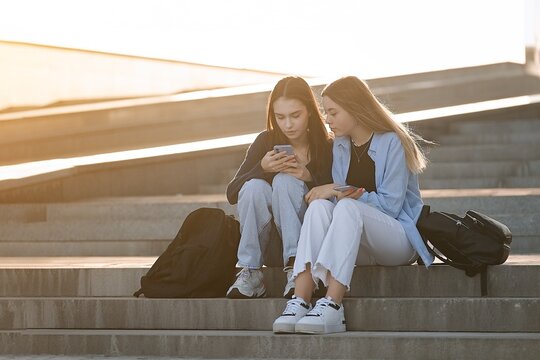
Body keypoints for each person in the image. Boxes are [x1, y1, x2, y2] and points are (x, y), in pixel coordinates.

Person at [273, 76, 434, 333]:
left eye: (333, 112)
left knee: (346, 205)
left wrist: (338, 190)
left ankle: (333, 305)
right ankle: (300, 300)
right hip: (359, 243)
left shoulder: (392, 141)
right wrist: (335, 193)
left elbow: (391, 207)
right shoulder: (341, 145)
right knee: (318, 207)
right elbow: (338, 205)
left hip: (397, 241)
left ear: (356, 108)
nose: (327, 119)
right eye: (327, 112)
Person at [226, 76, 333, 299]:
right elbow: (233, 192)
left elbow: (338, 195)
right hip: (272, 245)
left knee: (285, 181)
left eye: (295, 115)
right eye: (280, 117)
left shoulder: (327, 145)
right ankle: (251, 271)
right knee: (254, 186)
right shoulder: (265, 141)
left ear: (310, 111)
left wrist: (308, 176)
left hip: (310, 244)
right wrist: (261, 168)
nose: (288, 125)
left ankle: (298, 271)